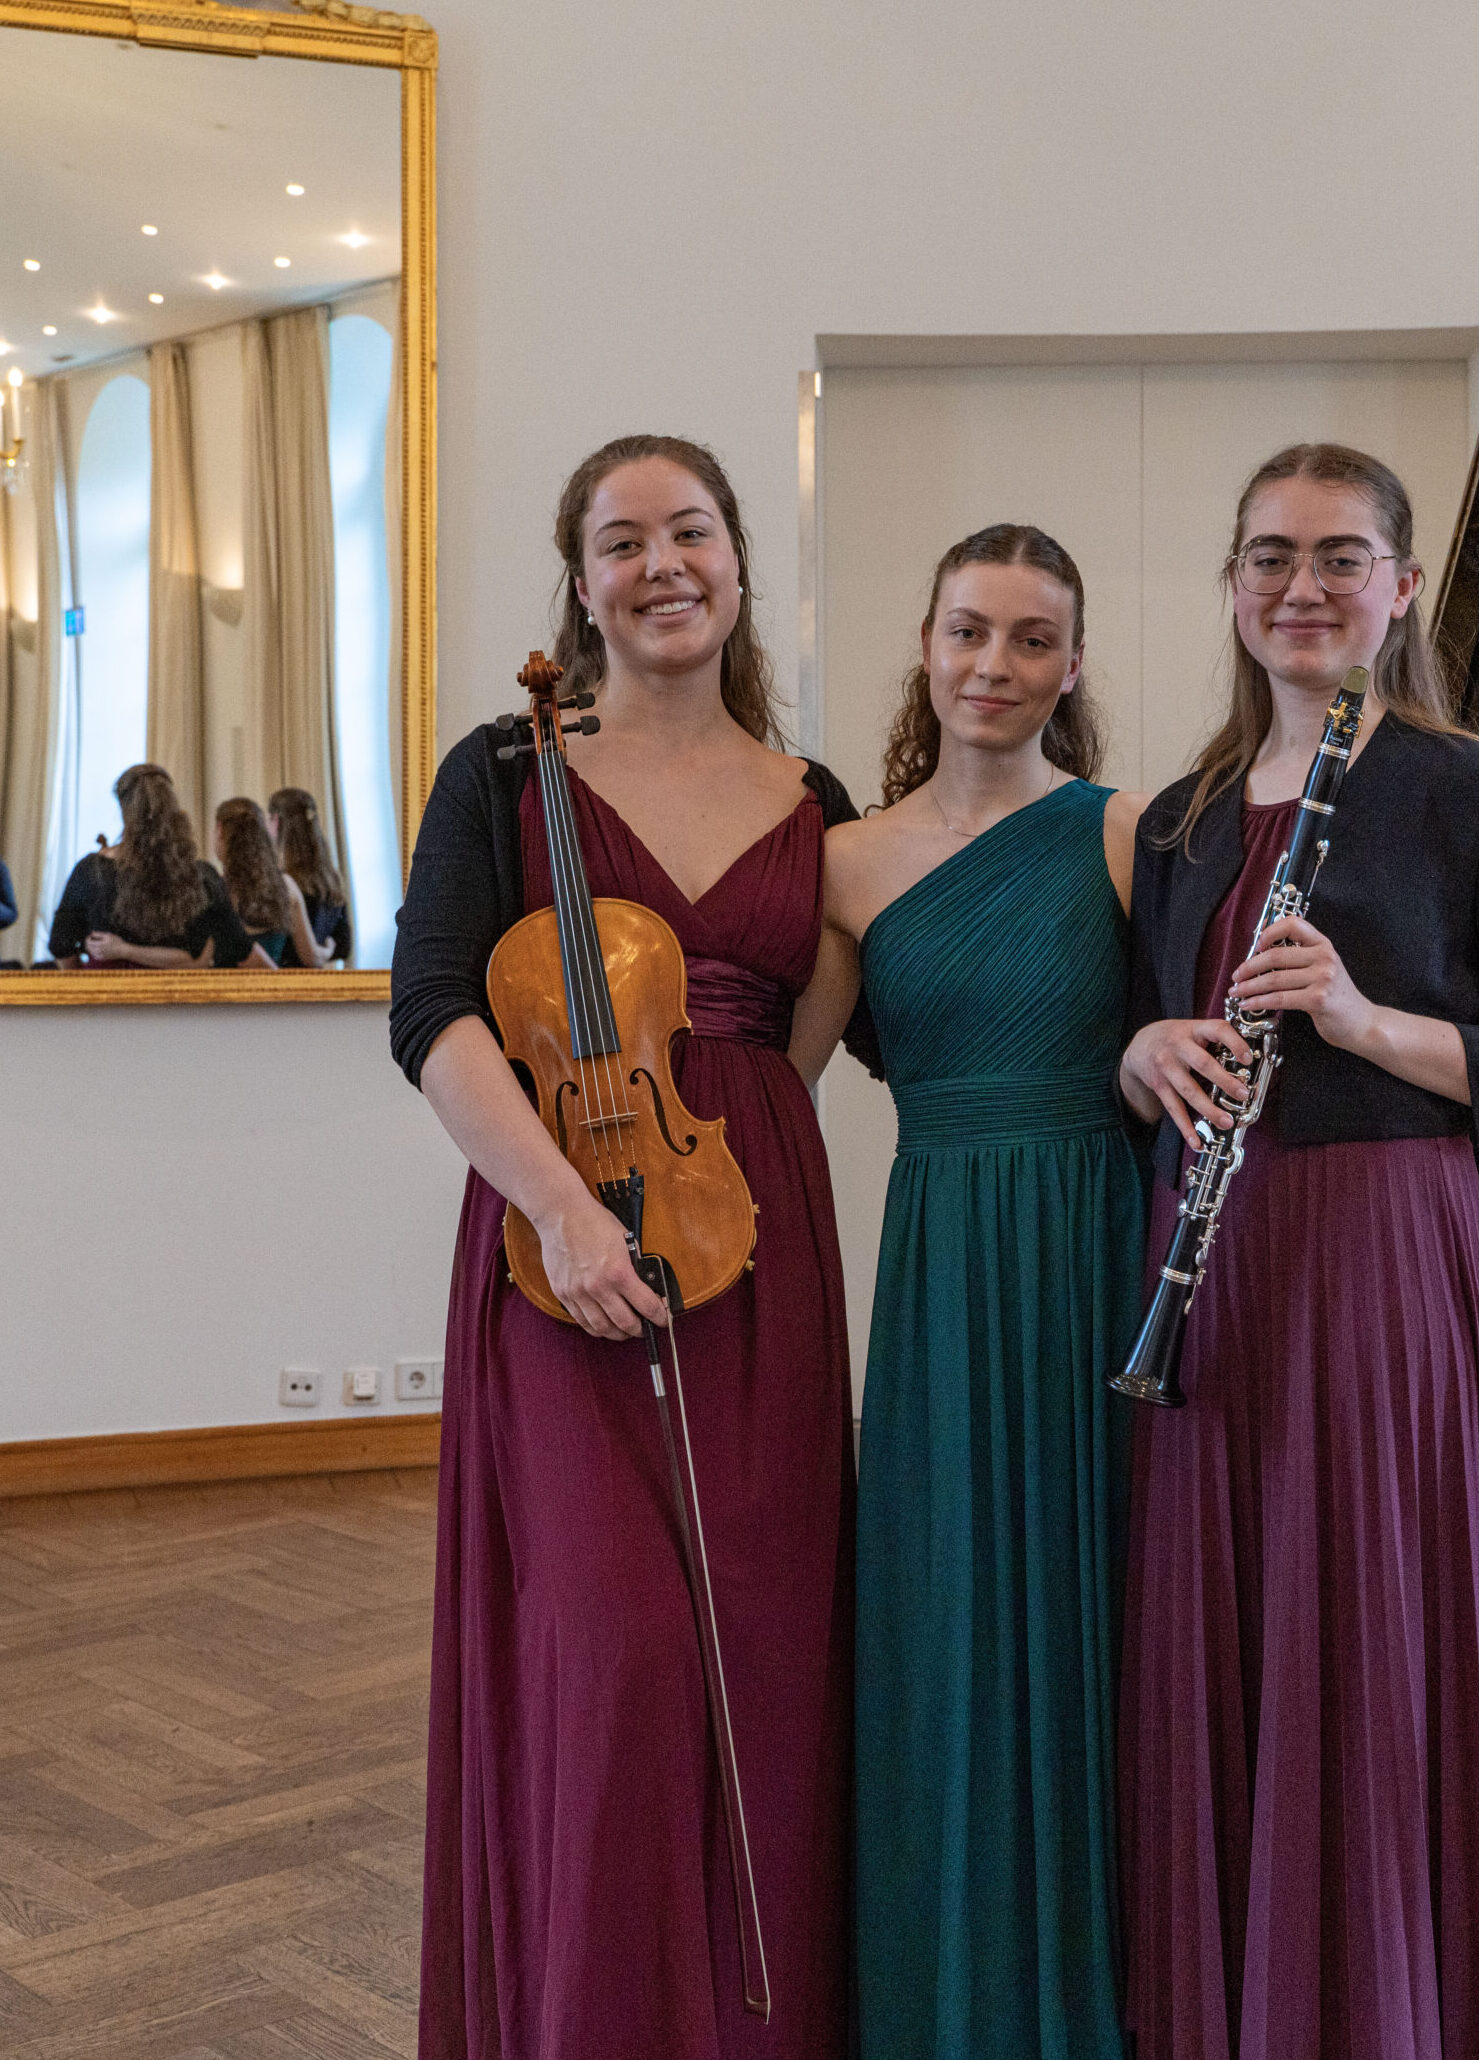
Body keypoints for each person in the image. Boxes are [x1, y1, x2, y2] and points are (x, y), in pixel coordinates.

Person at [1117, 443, 1479, 2060]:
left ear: (1401, 587)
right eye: (1270, 556)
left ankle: (1380, 2009)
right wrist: (1143, 1060)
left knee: (1366, 1644)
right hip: (1211, 1272)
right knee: (1228, 1648)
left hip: (1381, 1267)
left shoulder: (1468, 789)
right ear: (1233, 586)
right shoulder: (1185, 814)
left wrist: (1358, 1018)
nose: (1303, 588)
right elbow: (1143, 1041)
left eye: (1342, 557)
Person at [390, 434, 862, 2060]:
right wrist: (565, 1203)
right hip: (555, 1255)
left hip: (758, 1258)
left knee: (774, 1652)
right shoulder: (505, 775)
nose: (662, 564)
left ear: (739, 558)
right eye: (621, 540)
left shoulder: (819, 805)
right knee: (623, 1660)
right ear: (579, 582)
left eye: (692, 531)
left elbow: (847, 1030)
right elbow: (434, 1014)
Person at [822, 525, 1147, 2060]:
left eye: (1031, 642)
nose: (995, 669)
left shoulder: (1127, 833)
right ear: (928, 645)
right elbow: (772, 1075)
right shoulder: (849, 857)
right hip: (943, 1250)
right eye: (970, 634)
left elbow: (1192, 1045)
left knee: (1101, 1603)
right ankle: (952, 1989)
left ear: (1072, 666)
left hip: (1095, 1243)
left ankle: (1105, 1987)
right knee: (947, 1605)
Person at [47, 763, 268, 969]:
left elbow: (61, 946)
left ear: (124, 810)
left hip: (110, 1001)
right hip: (180, 1004)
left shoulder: (91, 871)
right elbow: (237, 949)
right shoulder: (201, 876)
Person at [215, 796, 322, 971]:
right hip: (271, 993)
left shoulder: (215, 889)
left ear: (220, 831)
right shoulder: (286, 886)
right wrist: (328, 949)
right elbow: (311, 958)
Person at [268, 786, 352, 965]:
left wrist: (315, 954)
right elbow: (344, 944)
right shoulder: (331, 880)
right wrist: (325, 952)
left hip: (283, 984)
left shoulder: (283, 882)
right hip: (315, 984)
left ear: (275, 821)